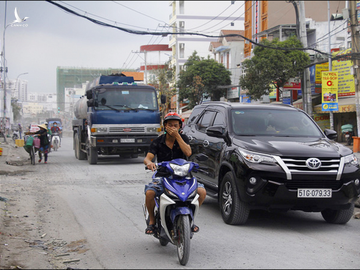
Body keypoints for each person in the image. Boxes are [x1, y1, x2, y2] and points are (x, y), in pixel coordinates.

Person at [143, 112, 207, 235]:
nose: (173, 127)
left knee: (202, 192)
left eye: (175, 125)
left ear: (179, 127)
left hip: (184, 177)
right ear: (165, 126)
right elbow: (148, 158)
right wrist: (149, 163)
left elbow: (188, 153)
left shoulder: (184, 139)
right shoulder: (157, 141)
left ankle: (191, 220)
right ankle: (151, 221)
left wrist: (177, 136)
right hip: (163, 176)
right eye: (170, 125)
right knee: (150, 192)